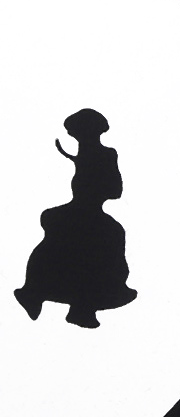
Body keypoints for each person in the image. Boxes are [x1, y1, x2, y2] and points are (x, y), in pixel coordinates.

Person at [14, 108, 137, 329]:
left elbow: (115, 190)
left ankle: (78, 306)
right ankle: (39, 293)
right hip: (80, 208)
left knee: (104, 238)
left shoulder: (107, 155)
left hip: (90, 209)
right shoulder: (89, 154)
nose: (79, 139)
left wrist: (86, 168)